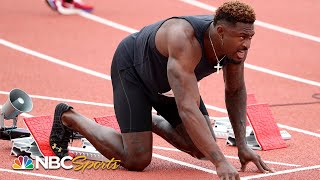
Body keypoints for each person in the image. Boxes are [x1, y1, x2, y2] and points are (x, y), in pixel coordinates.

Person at [49, 1, 274, 179]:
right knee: (136, 160)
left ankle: (151, 122)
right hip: (134, 72)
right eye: (243, 37)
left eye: (251, 37)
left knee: (202, 148)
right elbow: (187, 108)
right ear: (221, 32)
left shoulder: (234, 47)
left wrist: (242, 145)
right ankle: (70, 117)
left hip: (172, 85)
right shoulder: (184, 39)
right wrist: (220, 162)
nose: (247, 44)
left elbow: (235, 92)